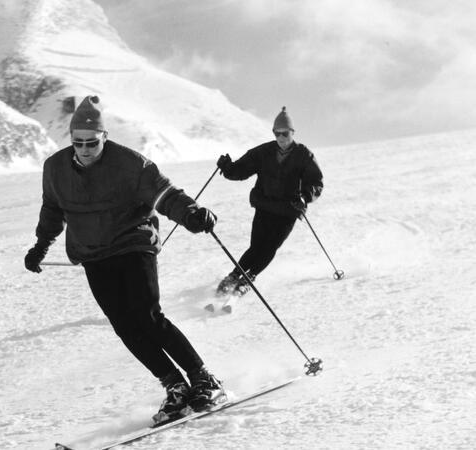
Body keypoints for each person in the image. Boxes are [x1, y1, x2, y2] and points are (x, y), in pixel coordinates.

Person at [24, 96, 225, 424]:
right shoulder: (55, 168)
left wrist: (190, 214)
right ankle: (174, 386)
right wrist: (41, 245)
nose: (86, 149)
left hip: (133, 244)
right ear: (71, 140)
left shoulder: (131, 164)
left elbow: (164, 194)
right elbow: (52, 209)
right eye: (79, 143)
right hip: (93, 254)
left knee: (147, 316)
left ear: (105, 137)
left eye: (92, 142)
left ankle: (204, 379)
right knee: (124, 325)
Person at [214, 107, 324, 296]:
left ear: (292, 133)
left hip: (288, 210)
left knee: (270, 247)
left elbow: (316, 183)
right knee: (257, 246)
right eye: (277, 133)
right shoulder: (264, 152)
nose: (281, 137)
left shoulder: (303, 155)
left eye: (285, 133)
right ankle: (234, 277)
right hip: (265, 206)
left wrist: (304, 197)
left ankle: (249, 278)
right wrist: (228, 168)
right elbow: (241, 169)